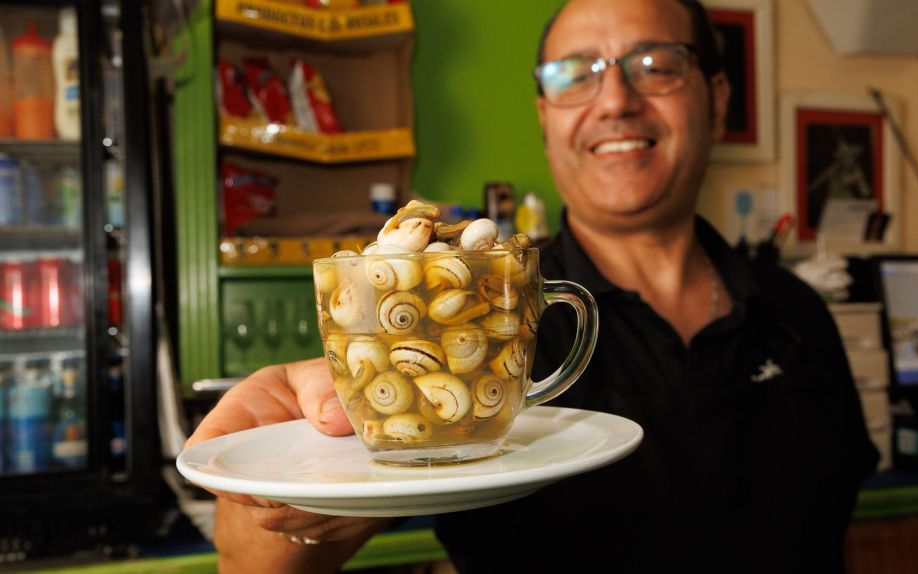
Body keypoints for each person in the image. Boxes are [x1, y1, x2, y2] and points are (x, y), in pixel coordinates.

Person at [186, 0, 879, 571]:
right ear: (546, 118)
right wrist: (291, 469)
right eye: (573, 75)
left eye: (655, 65)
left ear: (717, 98)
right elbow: (252, 566)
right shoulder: (479, 320)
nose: (614, 99)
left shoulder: (801, 314)